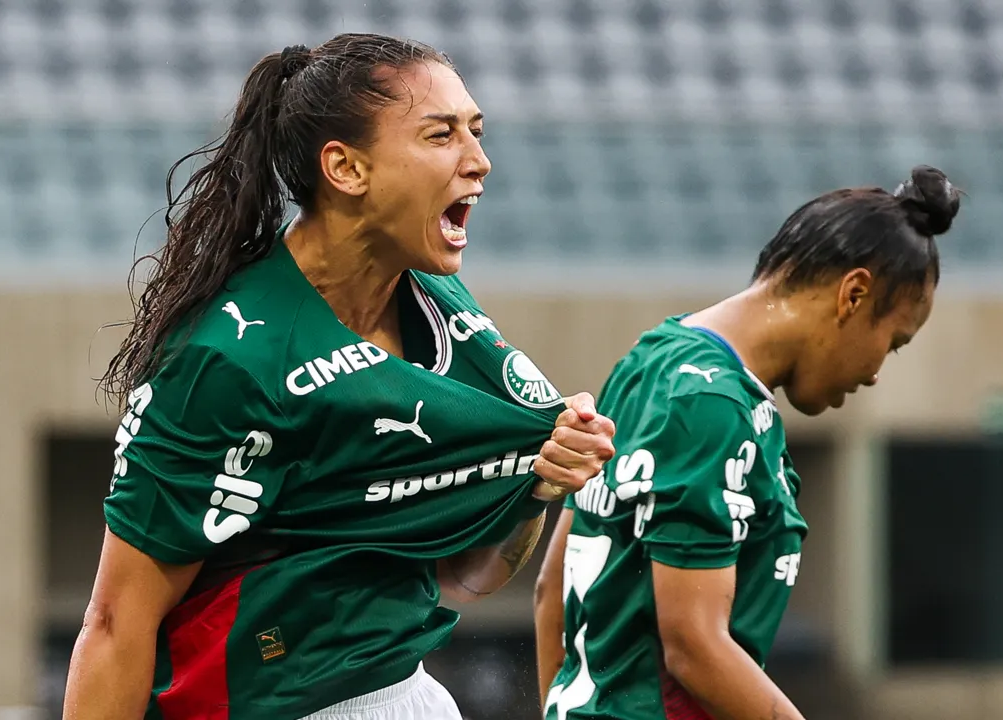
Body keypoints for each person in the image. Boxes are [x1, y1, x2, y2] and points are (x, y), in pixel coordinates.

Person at [63, 33, 615, 720]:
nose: (480, 162)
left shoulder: (442, 309)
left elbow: (467, 576)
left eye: (476, 132)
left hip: (411, 697)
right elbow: (116, 624)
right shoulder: (226, 361)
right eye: (441, 135)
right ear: (346, 169)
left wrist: (535, 483)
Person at [534, 166, 964, 719]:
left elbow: (551, 591)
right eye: (894, 342)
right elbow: (694, 647)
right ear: (853, 294)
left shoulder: (651, 359)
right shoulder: (714, 406)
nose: (878, 371)